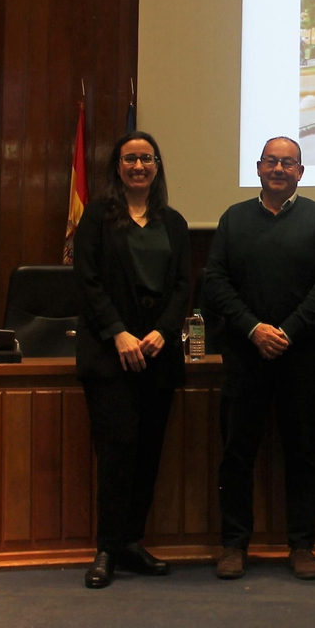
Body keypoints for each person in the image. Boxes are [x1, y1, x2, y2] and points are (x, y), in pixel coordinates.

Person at [201, 137, 315, 582]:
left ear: (300, 172)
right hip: (245, 356)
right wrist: (253, 328)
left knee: (301, 453)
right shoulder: (234, 218)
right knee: (236, 454)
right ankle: (233, 544)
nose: (279, 168)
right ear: (258, 168)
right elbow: (215, 281)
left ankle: (302, 545)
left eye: (288, 163)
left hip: (300, 356)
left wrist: (290, 329)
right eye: (271, 161)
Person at [71, 130, 190, 589]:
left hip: (158, 355)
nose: (138, 166)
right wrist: (117, 332)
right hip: (110, 356)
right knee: (116, 452)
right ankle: (107, 547)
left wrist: (162, 331)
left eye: (146, 158)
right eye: (129, 159)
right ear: (117, 168)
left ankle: (131, 542)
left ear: (157, 166)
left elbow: (182, 285)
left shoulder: (174, 222)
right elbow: (87, 279)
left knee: (147, 454)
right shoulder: (97, 217)